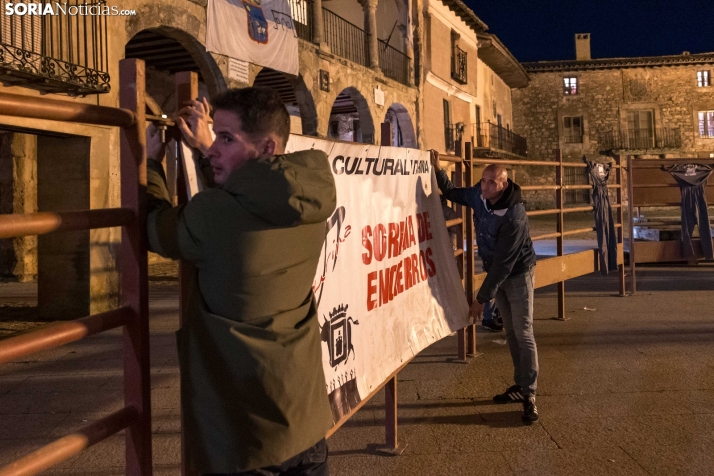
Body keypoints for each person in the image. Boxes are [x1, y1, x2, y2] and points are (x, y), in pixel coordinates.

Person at [145, 87, 336, 475]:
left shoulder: (217, 216)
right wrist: (206, 149)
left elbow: (154, 228)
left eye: (226, 139)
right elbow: (246, 201)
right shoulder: (312, 201)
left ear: (267, 147)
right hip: (304, 417)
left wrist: (150, 165)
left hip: (246, 433)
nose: (214, 148)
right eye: (215, 136)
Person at [430, 150, 539, 424]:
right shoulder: (481, 197)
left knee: (523, 332)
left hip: (517, 274)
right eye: (483, 181)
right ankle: (521, 385)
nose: (485, 186)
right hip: (498, 273)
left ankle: (530, 394)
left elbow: (504, 264)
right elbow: (454, 193)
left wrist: (481, 299)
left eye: (492, 182)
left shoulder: (513, 215)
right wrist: (438, 169)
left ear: (504, 184)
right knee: (512, 333)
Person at [440, 195, 503, 332]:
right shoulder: (495, 207)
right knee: (495, 279)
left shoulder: (485, 204)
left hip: (490, 252)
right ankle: (490, 315)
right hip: (493, 253)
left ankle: (491, 314)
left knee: (494, 279)